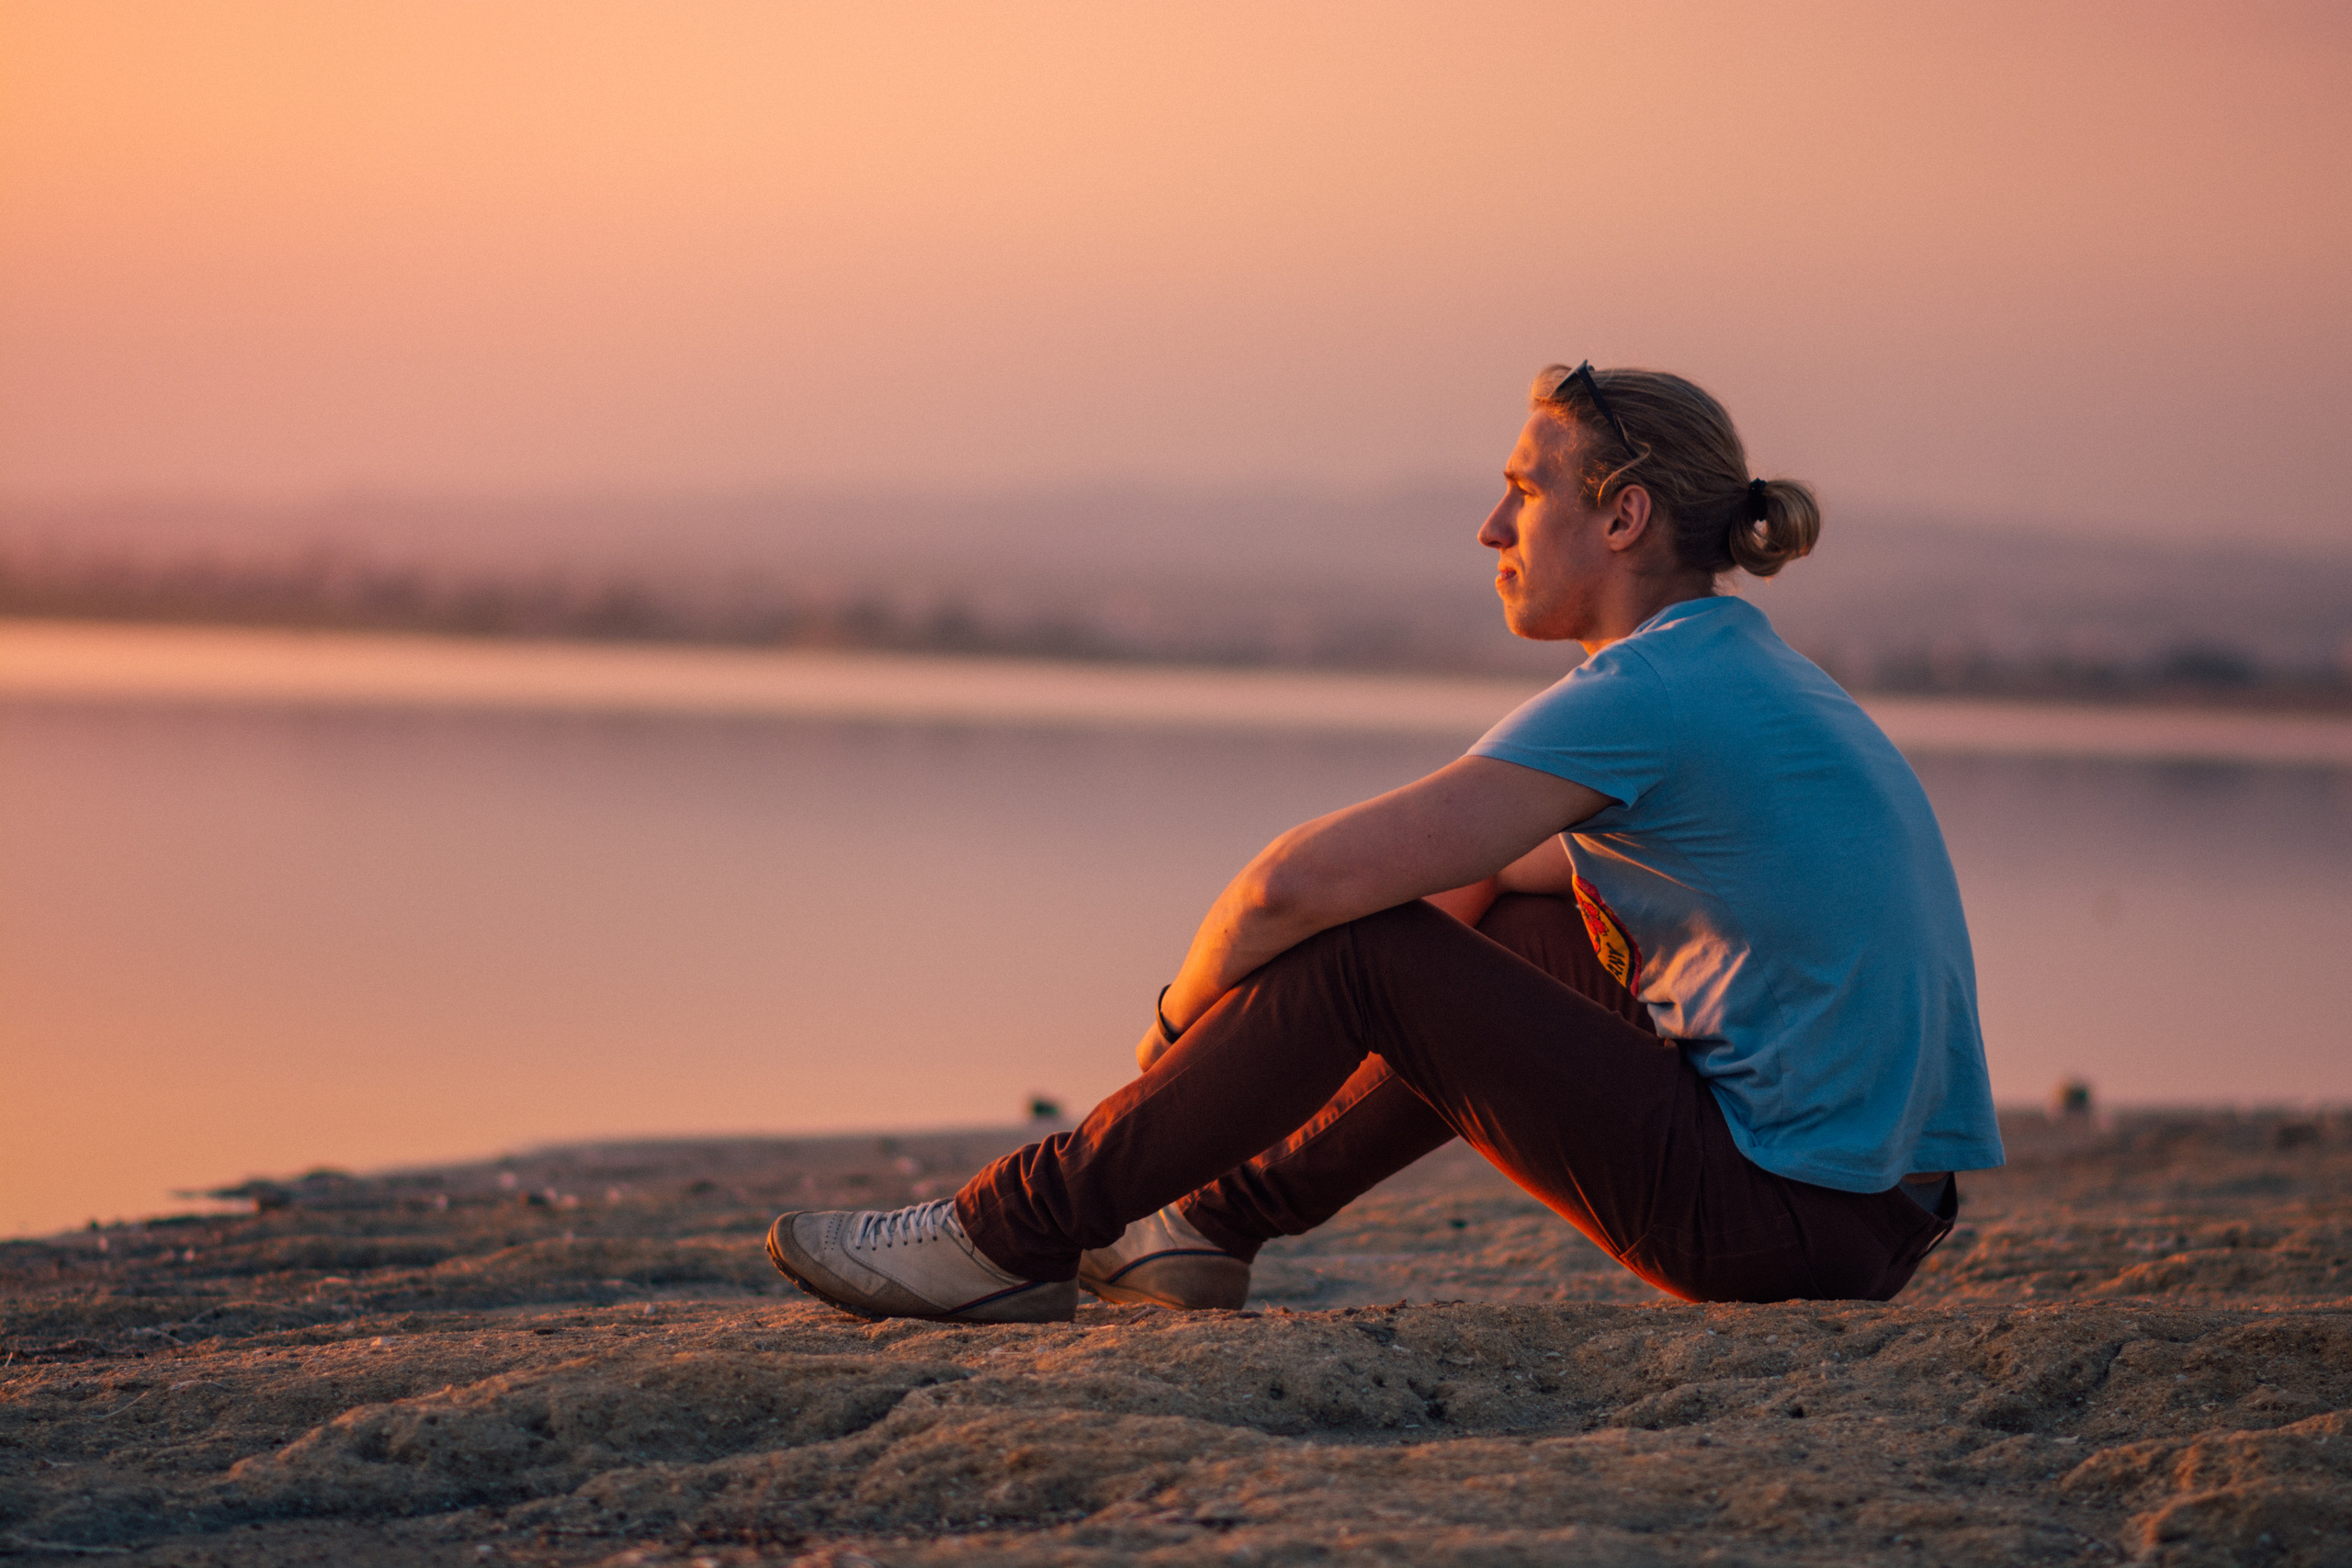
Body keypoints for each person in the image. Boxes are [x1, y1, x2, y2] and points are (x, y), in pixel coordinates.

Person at [765, 362, 2003, 1322]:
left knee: (1361, 947)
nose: (1489, 528)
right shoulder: (1738, 671)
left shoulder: (1647, 693)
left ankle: (1007, 1235)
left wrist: (1173, 1039)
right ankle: (1198, 1227)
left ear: (1623, 517)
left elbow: (1287, 888)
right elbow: (1492, 876)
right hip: (1875, 1217)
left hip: (1786, 1223)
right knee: (1515, 930)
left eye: (1523, 491)